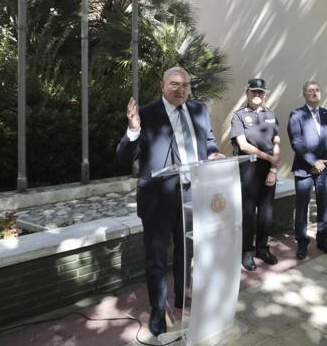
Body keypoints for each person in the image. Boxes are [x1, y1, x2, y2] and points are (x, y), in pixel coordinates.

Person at [116, 66, 225, 337]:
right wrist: (133, 130)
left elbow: (208, 143)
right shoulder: (147, 113)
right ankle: (156, 309)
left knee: (186, 252)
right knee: (156, 258)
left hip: (192, 194)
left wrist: (213, 154)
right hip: (157, 198)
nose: (181, 90)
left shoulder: (199, 110)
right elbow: (124, 157)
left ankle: (182, 296)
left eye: (186, 85)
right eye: (175, 84)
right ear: (161, 85)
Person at [231, 78, 281, 271]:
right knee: (248, 213)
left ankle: (262, 248)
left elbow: (277, 141)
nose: (257, 95)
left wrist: (273, 168)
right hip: (248, 170)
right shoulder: (239, 116)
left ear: (265, 95)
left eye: (260, 92)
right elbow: (243, 145)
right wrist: (269, 159)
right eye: (254, 92)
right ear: (247, 94)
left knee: (266, 213)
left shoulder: (271, 114)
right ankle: (247, 252)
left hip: (268, 171)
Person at [287, 80, 327, 259]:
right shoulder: (296, 115)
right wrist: (313, 163)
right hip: (304, 169)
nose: (315, 93)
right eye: (310, 90)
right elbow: (296, 142)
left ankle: (323, 240)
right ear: (304, 94)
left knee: (324, 205)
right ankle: (302, 243)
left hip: (324, 169)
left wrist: (323, 162)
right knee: (302, 206)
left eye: (317, 90)